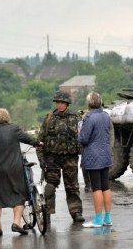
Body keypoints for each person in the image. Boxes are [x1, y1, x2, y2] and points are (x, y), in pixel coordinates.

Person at [0, 108, 42, 236]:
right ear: (7, 118)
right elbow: (27, 138)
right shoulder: (14, 129)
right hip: (13, 168)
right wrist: (37, 143)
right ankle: (16, 222)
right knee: (19, 194)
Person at [36, 90, 85, 223]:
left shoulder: (76, 119)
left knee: (72, 187)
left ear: (67, 103)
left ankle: (76, 212)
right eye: (58, 102)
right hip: (52, 158)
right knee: (50, 186)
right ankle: (47, 212)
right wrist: (41, 158)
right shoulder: (48, 119)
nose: (60, 105)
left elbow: (83, 138)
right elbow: (40, 141)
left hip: (70, 158)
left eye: (62, 102)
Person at [78, 92, 114, 228]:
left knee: (96, 188)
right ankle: (108, 218)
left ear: (89, 103)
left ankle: (98, 219)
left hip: (93, 157)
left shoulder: (89, 117)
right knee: (106, 186)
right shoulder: (106, 115)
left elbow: (84, 139)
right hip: (105, 155)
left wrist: (78, 133)